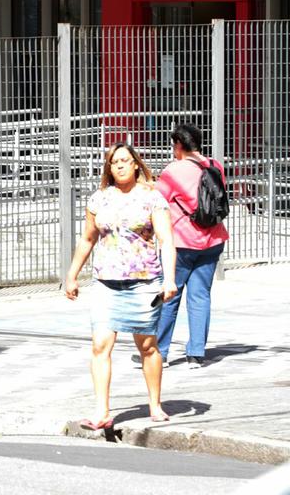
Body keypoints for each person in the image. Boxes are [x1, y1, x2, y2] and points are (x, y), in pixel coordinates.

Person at [64, 143, 178, 428]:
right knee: (100, 345)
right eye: (114, 162)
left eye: (125, 161)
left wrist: (171, 279)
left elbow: (166, 240)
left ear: (136, 164)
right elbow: (88, 239)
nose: (120, 166)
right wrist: (72, 274)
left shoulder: (152, 198)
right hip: (106, 283)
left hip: (144, 283)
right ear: (109, 168)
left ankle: (154, 404)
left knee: (148, 346)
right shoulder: (99, 199)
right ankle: (101, 411)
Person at [154, 124, 229, 369]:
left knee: (170, 295)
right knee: (200, 296)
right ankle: (196, 353)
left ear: (178, 145)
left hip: (181, 243)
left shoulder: (173, 170)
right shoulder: (214, 165)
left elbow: (156, 200)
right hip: (213, 240)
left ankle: (160, 353)